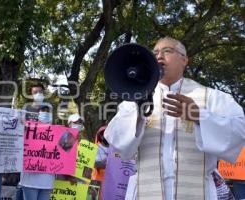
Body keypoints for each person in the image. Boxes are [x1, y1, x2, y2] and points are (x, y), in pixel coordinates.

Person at [104, 37, 245, 199]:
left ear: (184, 60)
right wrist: (138, 114)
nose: (159, 57)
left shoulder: (212, 97)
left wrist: (200, 116)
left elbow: (239, 130)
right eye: (155, 52)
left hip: (197, 192)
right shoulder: (134, 98)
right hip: (146, 191)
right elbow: (118, 145)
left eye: (167, 51)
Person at [19, 83, 55, 200]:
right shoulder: (26, 108)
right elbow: (22, 126)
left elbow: (52, 131)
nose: (38, 94)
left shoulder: (48, 108)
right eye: (35, 92)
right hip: (30, 159)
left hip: (45, 161)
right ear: (31, 94)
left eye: (40, 92)